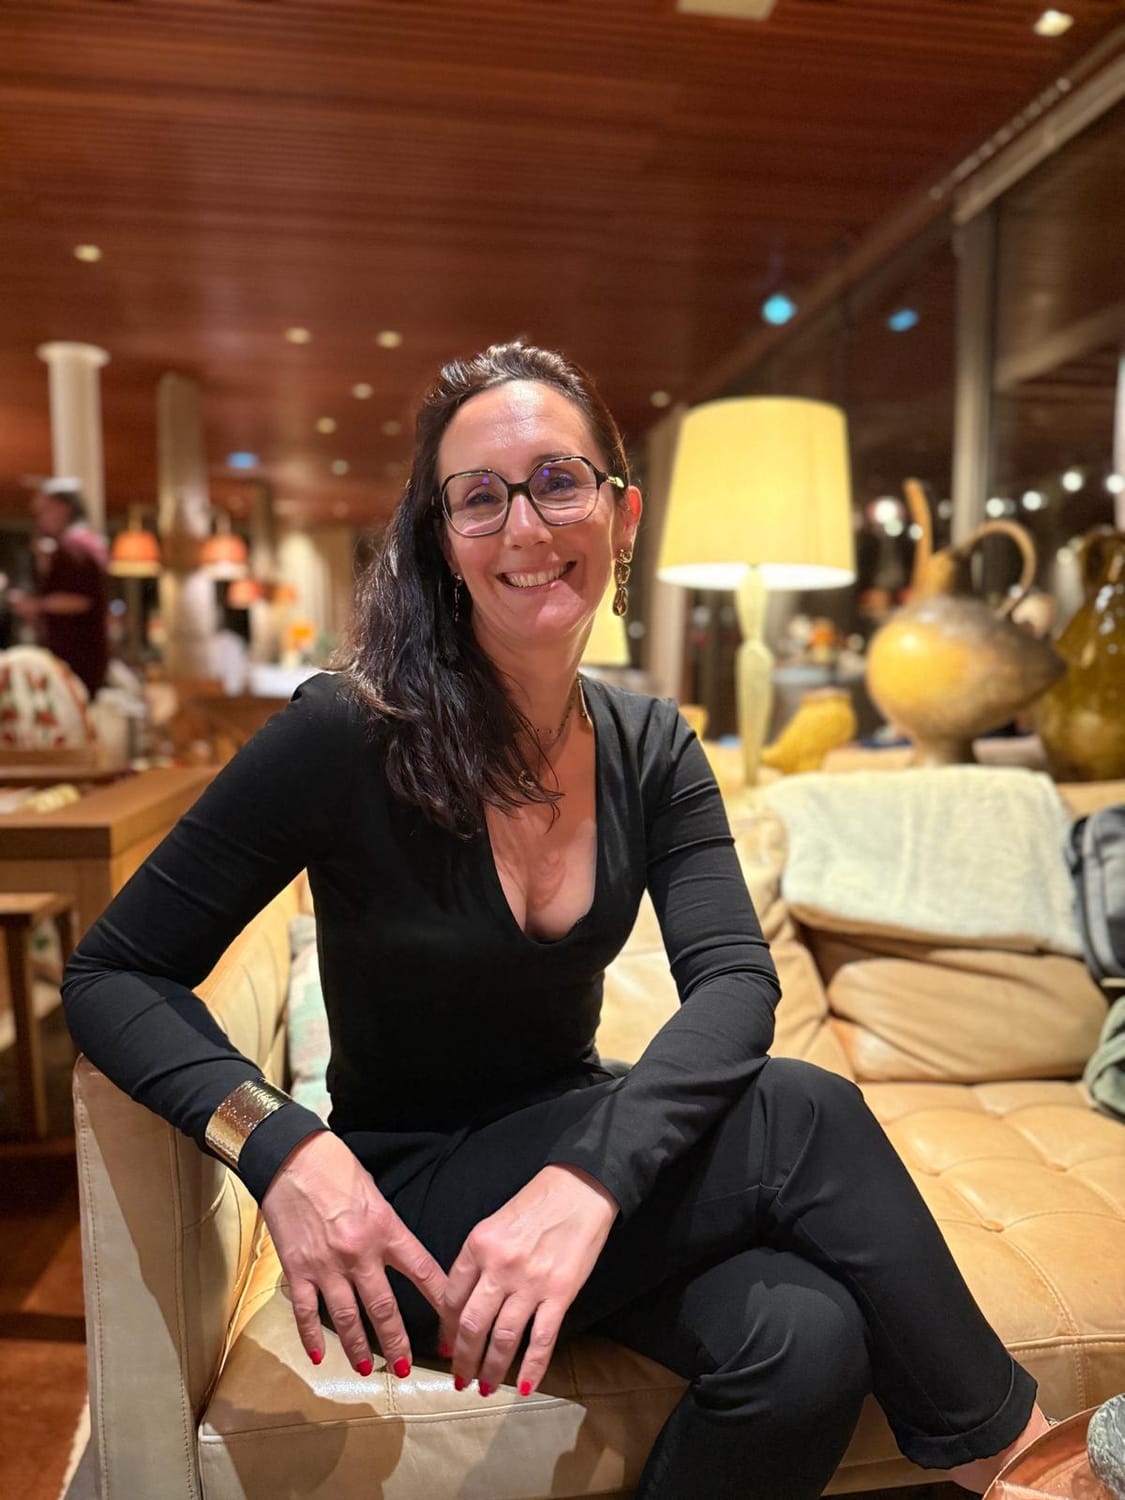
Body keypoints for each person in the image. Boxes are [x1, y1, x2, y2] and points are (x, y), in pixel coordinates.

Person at [62, 341, 1049, 1498]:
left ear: (622, 516)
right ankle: (1035, 1469)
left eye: (558, 482)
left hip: (566, 1151)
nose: (524, 525)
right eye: (479, 497)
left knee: (805, 1342)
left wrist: (589, 1182)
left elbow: (737, 984)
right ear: (444, 541)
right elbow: (112, 976)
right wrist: (280, 1145)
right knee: (804, 1112)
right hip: (410, 1203)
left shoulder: (652, 746)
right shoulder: (345, 734)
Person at [10, 477, 109, 698]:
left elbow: (80, 600)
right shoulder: (83, 543)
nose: (40, 520)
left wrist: (36, 605)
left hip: (76, 658)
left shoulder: (74, 546)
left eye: (44, 511)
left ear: (63, 508)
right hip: (81, 658)